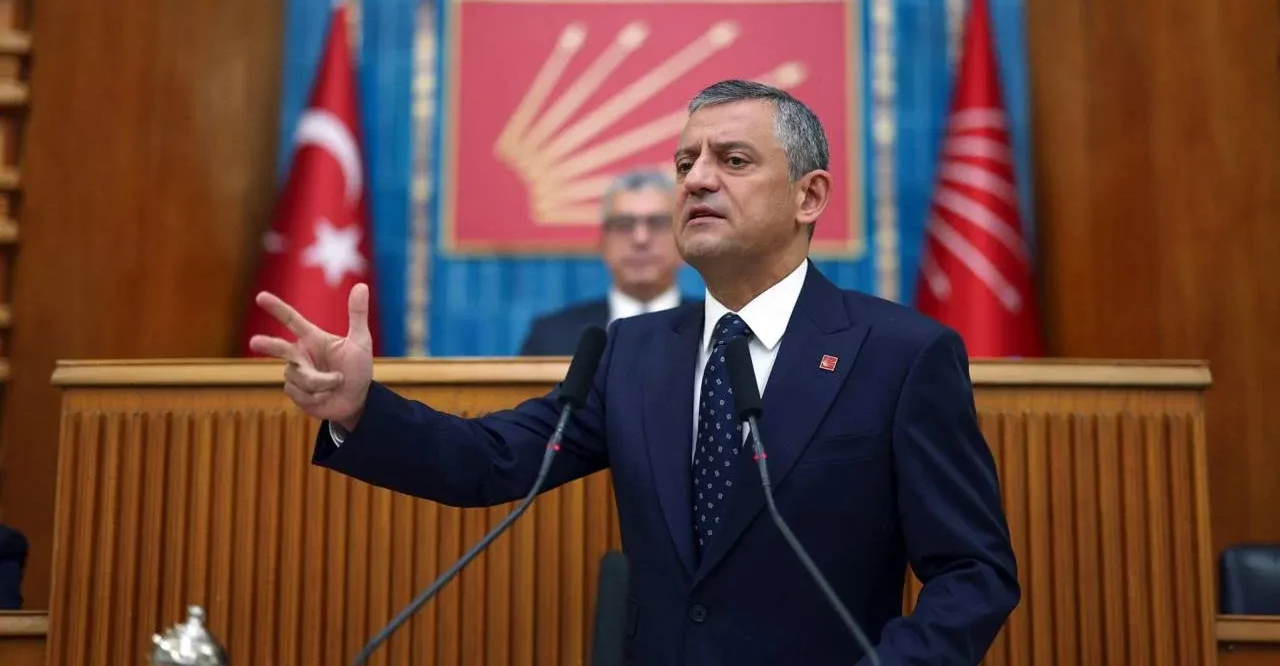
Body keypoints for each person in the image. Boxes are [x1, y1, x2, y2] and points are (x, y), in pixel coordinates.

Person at [249, 79, 1020, 665]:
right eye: (686, 162)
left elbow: (972, 570)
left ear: (808, 196)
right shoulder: (634, 352)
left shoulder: (899, 354)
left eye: (733, 160)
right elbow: (490, 460)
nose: (696, 180)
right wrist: (359, 408)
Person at [519, 168, 691, 356]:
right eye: (624, 224)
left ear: (683, 240)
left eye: (657, 223)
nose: (640, 239)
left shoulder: (712, 328)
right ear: (602, 243)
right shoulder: (551, 337)